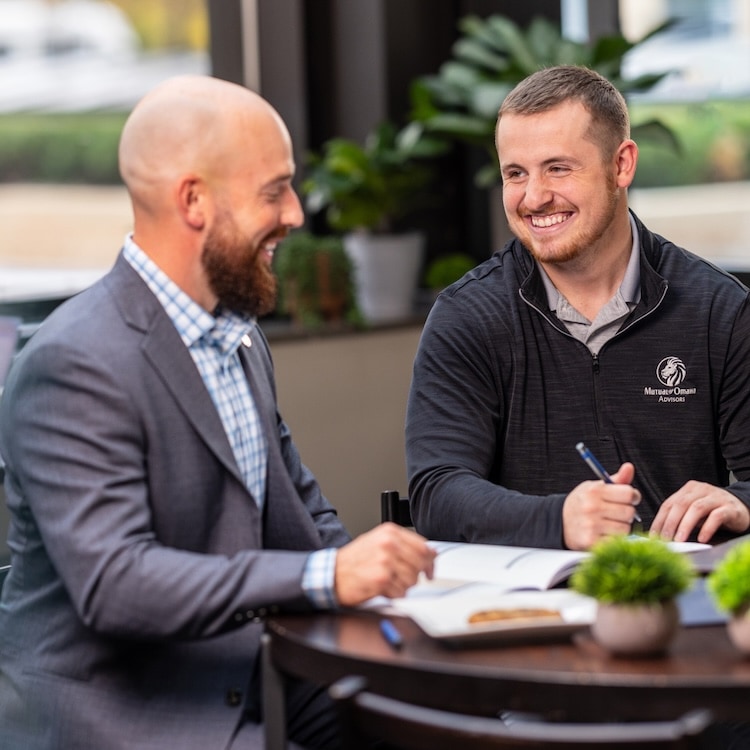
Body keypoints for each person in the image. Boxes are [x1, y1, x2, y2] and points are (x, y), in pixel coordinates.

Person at [0, 75, 436, 750]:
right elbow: (116, 584)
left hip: (254, 674)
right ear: (193, 200)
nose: (295, 213)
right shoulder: (74, 362)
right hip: (128, 715)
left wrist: (403, 586)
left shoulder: (237, 335)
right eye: (274, 190)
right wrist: (329, 575)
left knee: (436, 717)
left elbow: (301, 511)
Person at [405, 65, 750, 552]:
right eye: (515, 174)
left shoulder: (718, 309)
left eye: (558, 168)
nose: (534, 197)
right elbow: (437, 492)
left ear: (622, 165)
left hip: (681, 606)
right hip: (524, 612)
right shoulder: (467, 316)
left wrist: (742, 503)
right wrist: (558, 519)